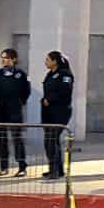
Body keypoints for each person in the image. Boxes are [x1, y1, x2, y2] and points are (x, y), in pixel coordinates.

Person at [0, 47, 32, 176]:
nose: (4, 61)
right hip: (0, 111)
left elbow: (26, 91)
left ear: (14, 59)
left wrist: (19, 102)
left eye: (7, 58)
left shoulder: (20, 74)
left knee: (17, 138)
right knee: (1, 139)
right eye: (2, 58)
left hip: (14, 111)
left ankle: (22, 166)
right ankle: (4, 166)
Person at [40, 51, 74, 180]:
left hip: (60, 112)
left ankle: (55, 170)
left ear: (55, 61)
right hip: (49, 112)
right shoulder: (50, 74)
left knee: (51, 140)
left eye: (48, 59)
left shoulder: (65, 75)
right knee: (51, 141)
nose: (46, 62)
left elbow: (65, 92)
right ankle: (56, 169)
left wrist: (50, 99)